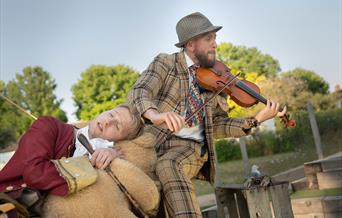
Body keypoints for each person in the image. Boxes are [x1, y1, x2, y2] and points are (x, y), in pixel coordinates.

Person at [128, 12, 287, 217]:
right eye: (209, 39)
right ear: (191, 44)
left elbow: (218, 125)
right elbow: (139, 92)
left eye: (215, 38)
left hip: (188, 148)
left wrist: (256, 119)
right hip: (149, 142)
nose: (215, 44)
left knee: (169, 164)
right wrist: (154, 114)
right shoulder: (165, 64)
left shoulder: (216, 78)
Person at [0, 104, 142, 196]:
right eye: (111, 115)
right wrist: (88, 168)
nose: (108, 122)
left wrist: (113, 155)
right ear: (105, 111)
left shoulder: (111, 153)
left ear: (119, 139)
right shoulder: (48, 124)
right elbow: (34, 173)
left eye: (117, 126)